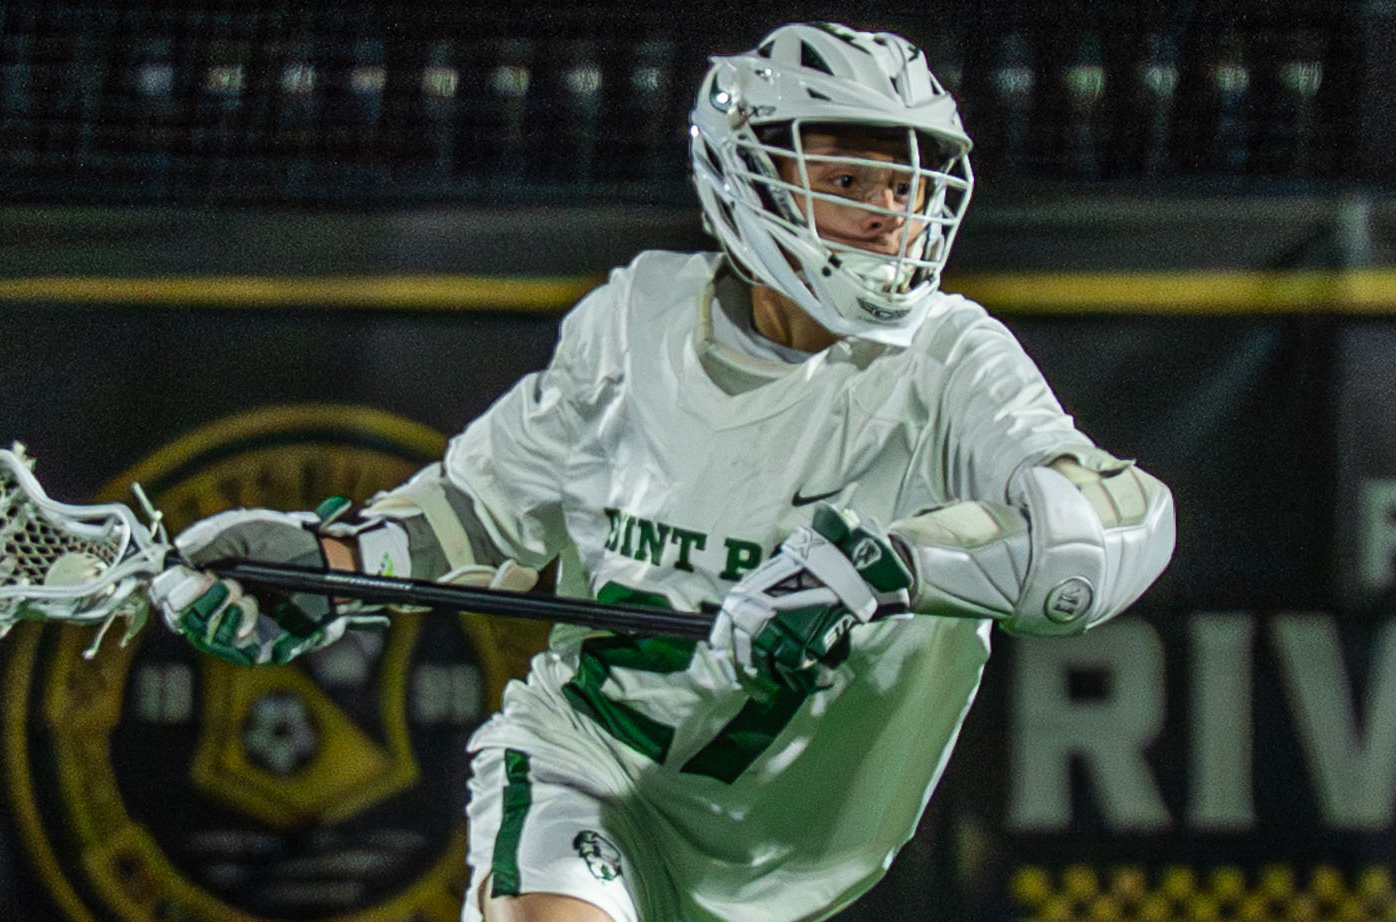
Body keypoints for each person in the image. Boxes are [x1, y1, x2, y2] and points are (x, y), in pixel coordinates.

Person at [147, 22, 1175, 922]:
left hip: (796, 864)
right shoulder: (633, 325)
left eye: (904, 185)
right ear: (750, 176)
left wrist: (887, 566)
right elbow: (482, 508)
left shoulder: (949, 359)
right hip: (594, 772)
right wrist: (329, 565)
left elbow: (1106, 529)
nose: (889, 215)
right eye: (848, 181)